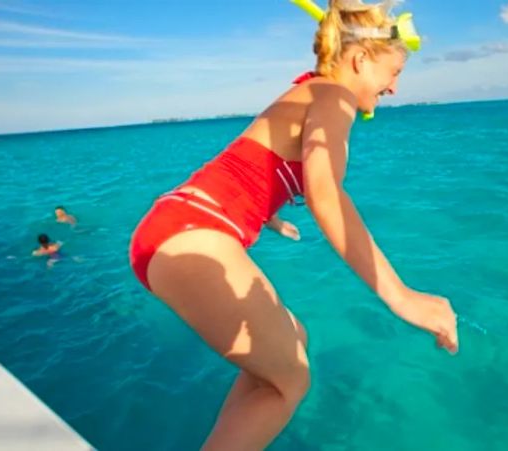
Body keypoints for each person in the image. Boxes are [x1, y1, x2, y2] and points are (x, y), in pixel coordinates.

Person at [129, 1, 458, 449]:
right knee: (292, 382)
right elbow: (327, 194)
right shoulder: (334, 95)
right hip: (192, 234)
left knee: (290, 345)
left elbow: (248, 164)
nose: (395, 88)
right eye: (394, 72)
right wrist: (402, 297)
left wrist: (268, 213)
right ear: (360, 60)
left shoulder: (310, 89)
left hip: (177, 226)